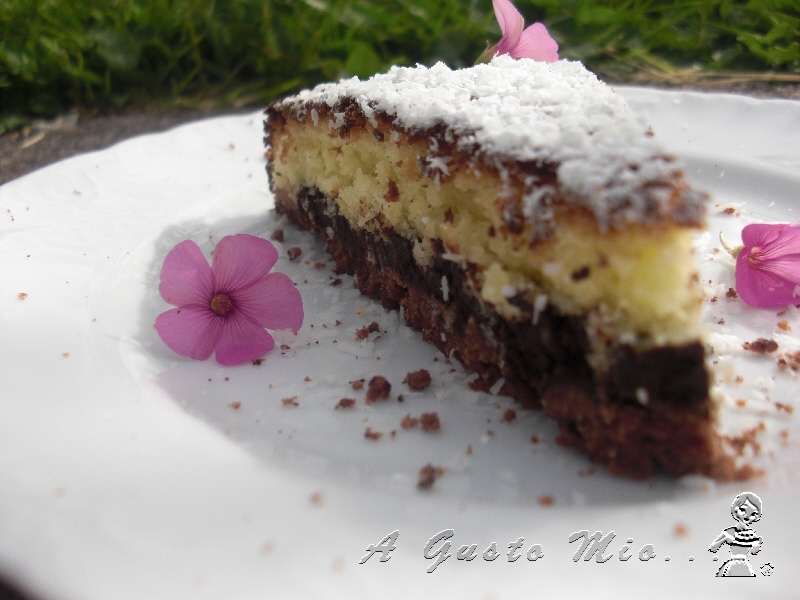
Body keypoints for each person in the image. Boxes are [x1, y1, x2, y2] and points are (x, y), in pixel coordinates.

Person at [708, 492, 763, 577]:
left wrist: (758, 544)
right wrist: (724, 539)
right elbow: (713, 547)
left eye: (752, 514)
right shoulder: (730, 532)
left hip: (745, 566)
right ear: (735, 509)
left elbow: (754, 551)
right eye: (743, 510)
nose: (747, 516)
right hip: (733, 565)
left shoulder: (752, 534)